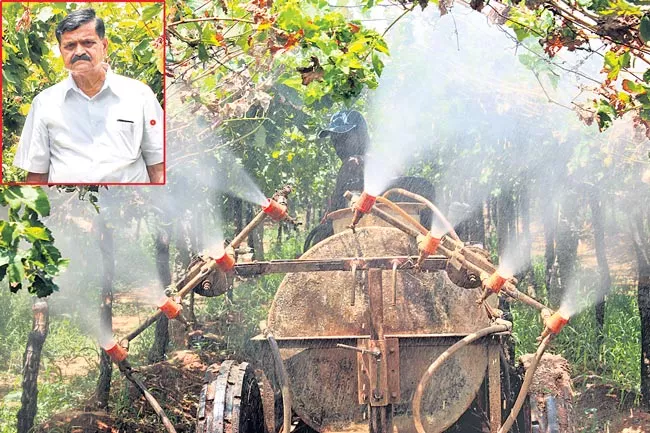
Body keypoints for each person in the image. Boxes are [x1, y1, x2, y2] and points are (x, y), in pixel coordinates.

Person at [13, 8, 164, 184]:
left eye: (87, 43)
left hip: (132, 204)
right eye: (70, 46)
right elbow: (36, 175)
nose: (78, 52)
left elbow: (157, 165)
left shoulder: (139, 95)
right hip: (69, 208)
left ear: (104, 46)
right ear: (61, 51)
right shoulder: (44, 103)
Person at [303, 110, 435, 251]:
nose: (337, 145)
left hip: (365, 239)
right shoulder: (386, 161)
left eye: (343, 138)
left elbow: (335, 213)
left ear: (360, 136)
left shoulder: (352, 163)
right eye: (334, 139)